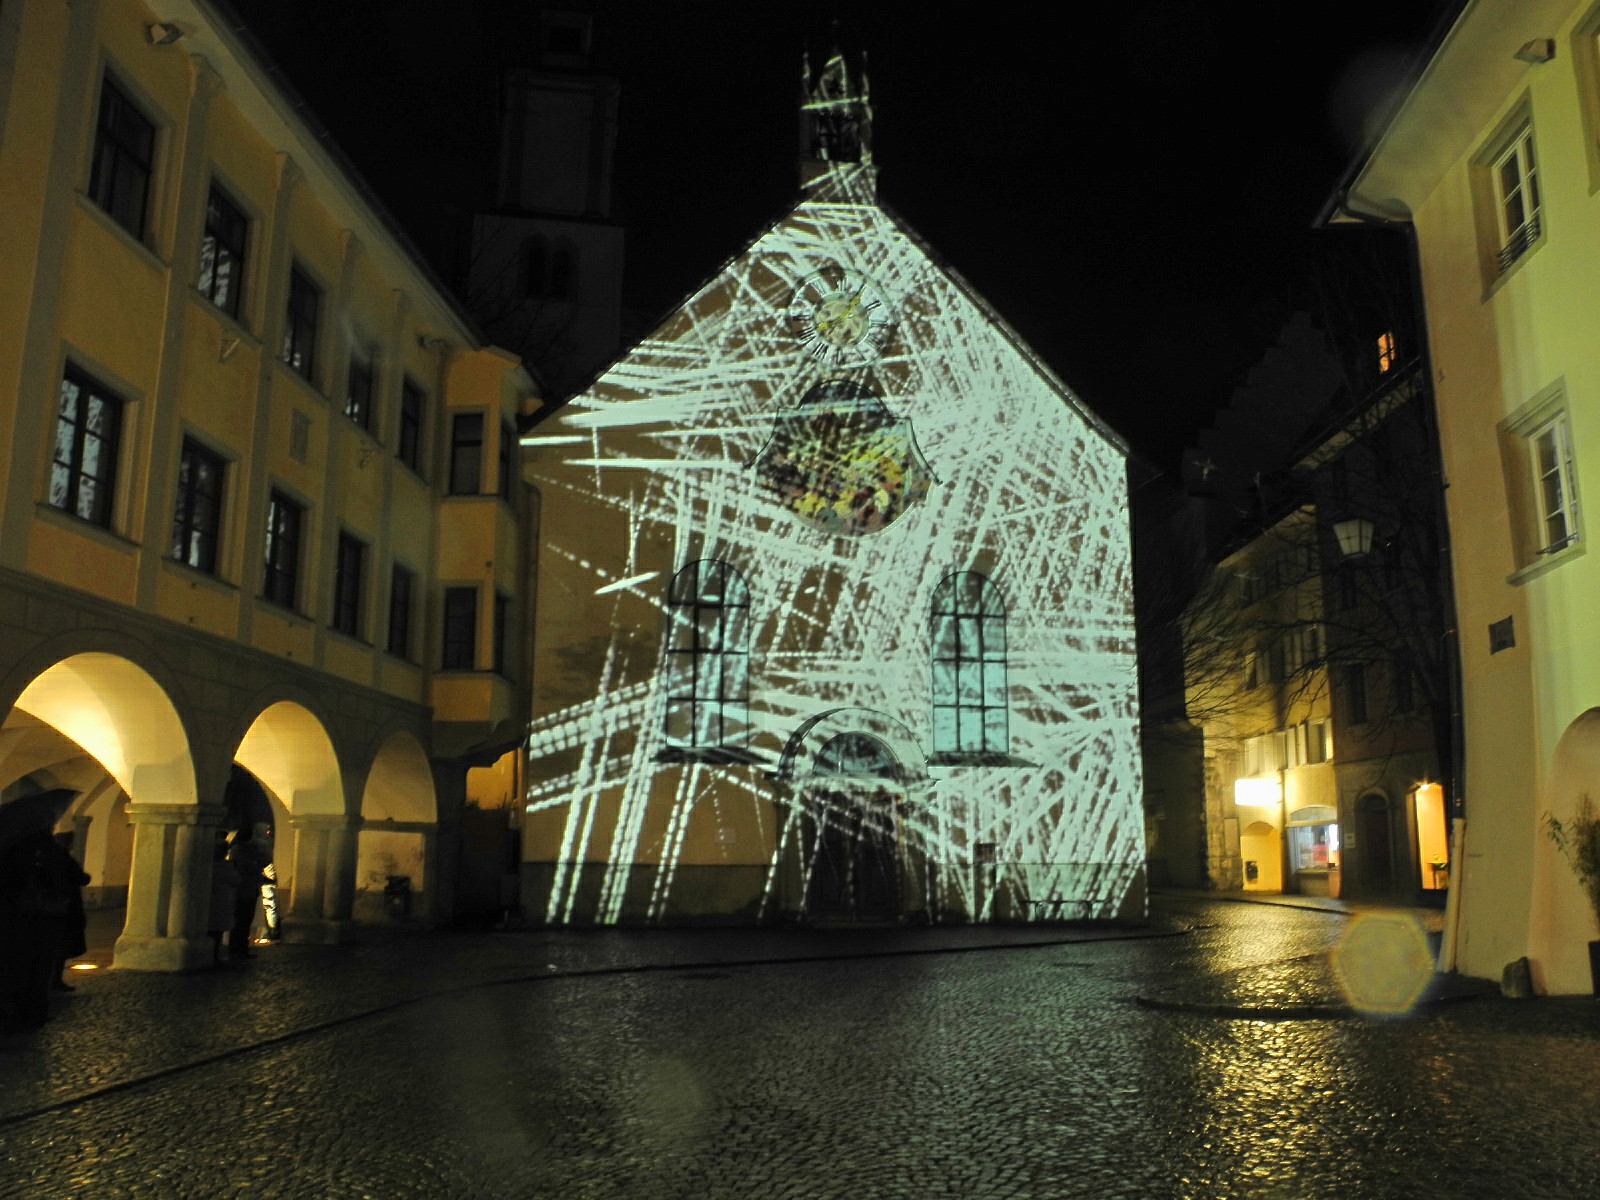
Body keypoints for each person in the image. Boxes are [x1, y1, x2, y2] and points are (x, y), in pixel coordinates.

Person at [49, 832, 90, 991]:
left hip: (53, 906)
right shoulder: (64, 859)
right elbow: (81, 878)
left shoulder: (49, 858)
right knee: (61, 947)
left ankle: (51, 980)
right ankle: (55, 980)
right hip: (65, 907)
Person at [226, 825, 270, 960]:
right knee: (241, 920)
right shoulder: (239, 850)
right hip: (243, 889)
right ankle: (237, 948)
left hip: (249, 889)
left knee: (245, 920)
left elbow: (265, 861)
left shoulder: (249, 849)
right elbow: (248, 867)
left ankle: (240, 947)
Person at [207, 834, 239, 967]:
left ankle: (212, 955)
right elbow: (235, 880)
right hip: (221, 899)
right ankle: (213, 956)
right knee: (217, 930)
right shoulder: (225, 866)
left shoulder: (208, 865)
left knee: (213, 929)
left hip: (215, 900)